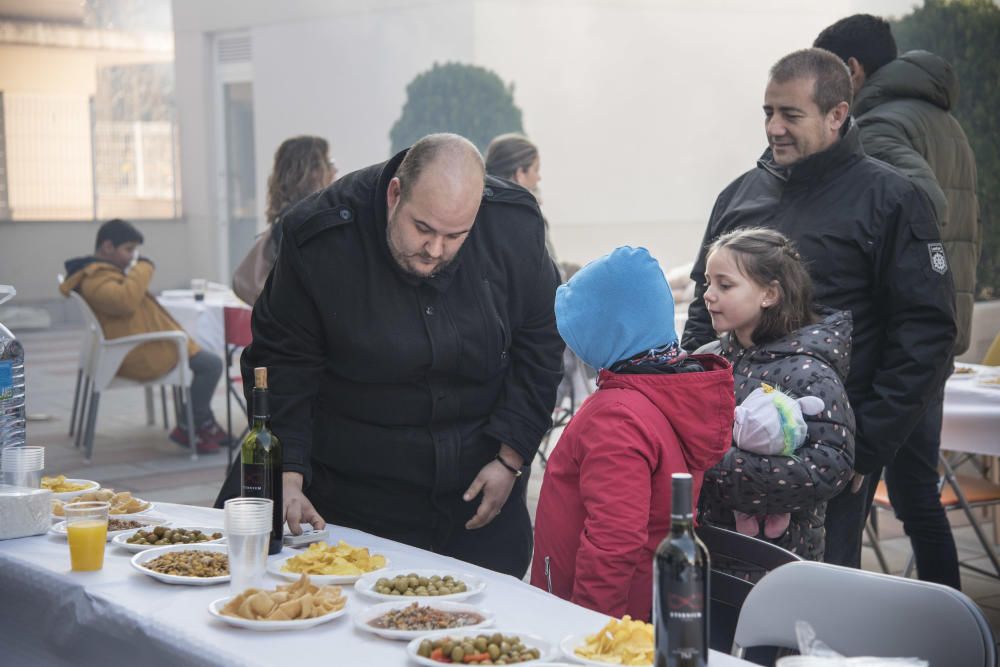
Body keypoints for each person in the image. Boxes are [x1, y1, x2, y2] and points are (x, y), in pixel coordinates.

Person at [219, 133, 563, 577]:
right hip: (354, 498)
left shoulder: (513, 225)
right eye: (422, 229)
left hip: (478, 498)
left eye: (455, 236)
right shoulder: (320, 238)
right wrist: (287, 471)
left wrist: (511, 457)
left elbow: (541, 343)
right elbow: (282, 361)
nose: (434, 250)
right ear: (395, 194)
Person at [681, 48, 957, 570]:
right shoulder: (738, 195)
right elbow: (703, 308)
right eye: (768, 112)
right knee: (720, 586)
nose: (774, 128)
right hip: (725, 447)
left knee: (815, 604)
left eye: (791, 114)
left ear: (837, 115)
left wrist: (867, 444)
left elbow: (927, 332)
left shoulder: (892, 199)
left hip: (828, 450)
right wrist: (693, 408)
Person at [815, 14, 979, 589]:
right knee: (917, 499)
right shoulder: (941, 120)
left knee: (848, 499)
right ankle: (949, 626)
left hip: (892, 344)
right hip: (931, 339)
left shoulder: (878, 125)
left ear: (853, 71)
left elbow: (922, 203)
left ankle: (847, 632)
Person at [530, 246, 733, 620]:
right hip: (645, 605)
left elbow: (614, 538)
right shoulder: (667, 391)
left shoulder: (617, 416)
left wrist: (588, 629)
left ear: (605, 332)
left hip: (596, 618)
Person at [695, 228, 855, 563]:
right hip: (707, 549)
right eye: (708, 283)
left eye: (725, 285)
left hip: (774, 559)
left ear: (769, 294)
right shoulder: (708, 358)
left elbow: (829, 467)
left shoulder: (808, 372)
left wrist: (714, 468)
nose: (708, 295)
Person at [59, 219, 228, 454]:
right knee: (211, 364)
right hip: (137, 353)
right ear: (107, 247)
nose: (133, 257)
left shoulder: (101, 274)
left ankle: (202, 423)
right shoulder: (95, 278)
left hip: (144, 346)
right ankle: (189, 425)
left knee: (205, 359)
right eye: (128, 249)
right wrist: (144, 267)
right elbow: (124, 301)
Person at [232, 136, 337, 304]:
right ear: (313, 172)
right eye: (329, 162)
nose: (335, 170)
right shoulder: (303, 220)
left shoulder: (291, 217)